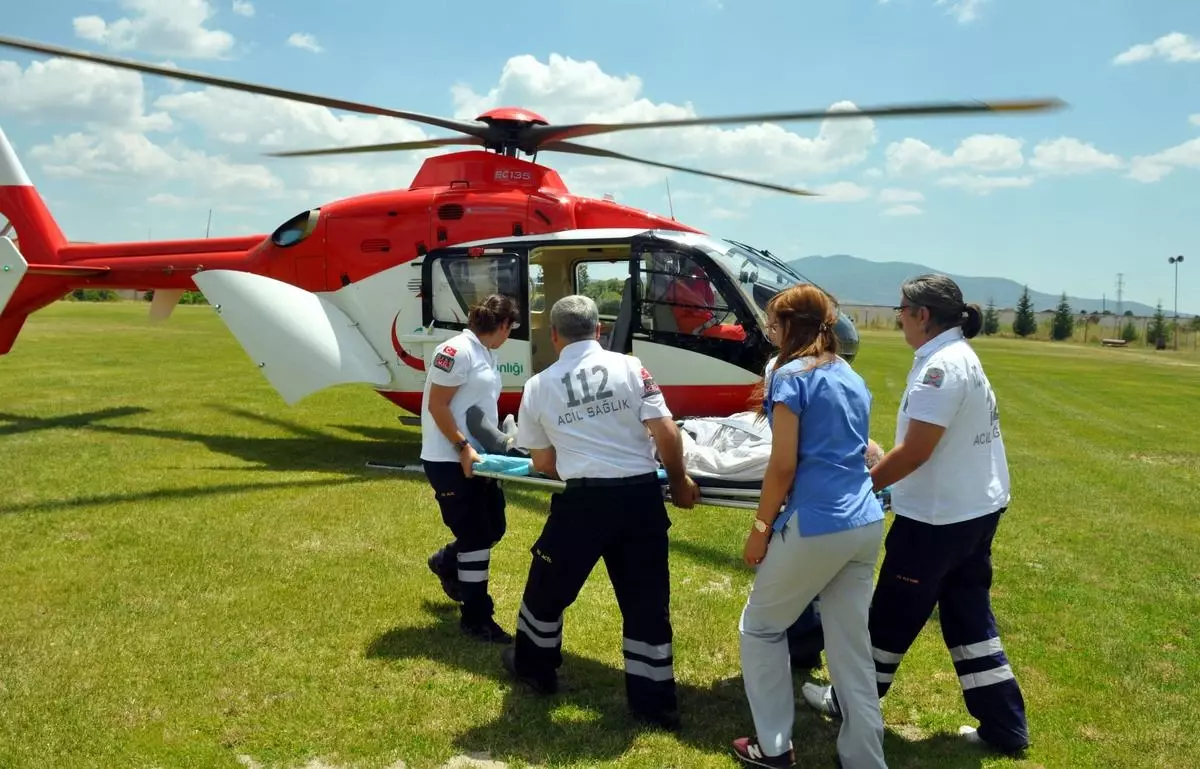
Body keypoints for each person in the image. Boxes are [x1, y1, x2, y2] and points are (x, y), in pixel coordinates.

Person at [801, 273, 1030, 756]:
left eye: (902, 310)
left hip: (937, 519)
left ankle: (848, 701)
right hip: (974, 509)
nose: (899, 317)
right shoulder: (957, 356)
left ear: (922, 315)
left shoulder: (941, 367)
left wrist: (863, 486)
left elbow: (916, 451)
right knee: (969, 619)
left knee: (889, 617)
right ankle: (1004, 724)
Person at [500, 294, 700, 730]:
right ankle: (653, 703)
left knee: (546, 590)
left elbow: (543, 464)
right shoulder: (631, 367)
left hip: (583, 504)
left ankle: (535, 670)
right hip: (640, 500)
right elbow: (665, 432)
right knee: (646, 602)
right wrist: (680, 481)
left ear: (553, 336)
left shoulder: (538, 386)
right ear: (599, 330)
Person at [731, 284, 887, 769]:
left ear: (789, 327)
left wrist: (760, 528)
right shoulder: (848, 375)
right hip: (864, 521)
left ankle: (773, 747)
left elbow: (783, 467)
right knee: (851, 646)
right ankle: (864, 759)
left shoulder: (789, 375)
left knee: (760, 628)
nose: (768, 332)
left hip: (817, 522)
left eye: (773, 324)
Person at [420, 293, 521, 644]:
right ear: (504, 325)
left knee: (494, 526)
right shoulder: (456, 351)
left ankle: (447, 561)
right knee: (477, 536)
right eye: (512, 327)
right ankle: (476, 617)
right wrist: (462, 446)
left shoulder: (486, 353)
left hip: (478, 459)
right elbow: (438, 405)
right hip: (450, 458)